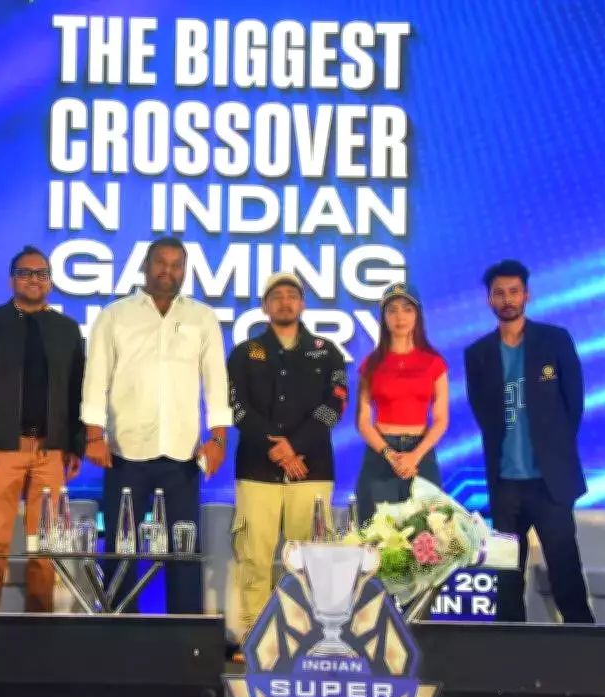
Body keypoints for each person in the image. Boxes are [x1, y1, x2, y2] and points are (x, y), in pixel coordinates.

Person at [81, 236, 230, 615]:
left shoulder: (202, 317)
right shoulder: (115, 316)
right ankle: (120, 629)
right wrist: (94, 434)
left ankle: (185, 633)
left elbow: (216, 381)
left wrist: (218, 438)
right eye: (161, 262)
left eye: (177, 265)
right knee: (121, 547)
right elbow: (96, 378)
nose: (168, 271)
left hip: (182, 454)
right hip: (125, 452)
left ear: (185, 271)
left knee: (184, 549)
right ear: (145, 267)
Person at [464, 259, 594, 623]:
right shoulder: (477, 354)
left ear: (527, 295)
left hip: (549, 483)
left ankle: (585, 649)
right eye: (499, 293)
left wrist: (554, 452)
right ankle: (509, 654)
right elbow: (483, 413)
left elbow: (573, 404)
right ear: (489, 300)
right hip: (505, 485)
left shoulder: (555, 340)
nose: (507, 299)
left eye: (514, 291)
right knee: (507, 581)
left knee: (567, 576)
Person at [0, 245, 85, 613]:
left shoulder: (66, 330)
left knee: (45, 547)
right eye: (26, 273)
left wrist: (75, 445)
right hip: (1, 450)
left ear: (51, 282)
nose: (34, 280)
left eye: (42, 274)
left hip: (51, 452)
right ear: (12, 279)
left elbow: (77, 391)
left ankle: (38, 630)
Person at [227, 272, 348, 648]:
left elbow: (335, 405)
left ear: (303, 304)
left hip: (311, 469)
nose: (284, 301)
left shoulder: (327, 351)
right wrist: (276, 447)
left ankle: (304, 642)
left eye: (292, 295)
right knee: (254, 560)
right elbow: (235, 406)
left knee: (309, 561)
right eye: (276, 296)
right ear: (264, 306)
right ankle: (254, 641)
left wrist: (294, 446)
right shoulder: (245, 352)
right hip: (256, 470)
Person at [354, 282, 449, 526]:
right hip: (381, 453)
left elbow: (441, 420)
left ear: (417, 315)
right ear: (384, 317)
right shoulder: (371, 364)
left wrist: (415, 456)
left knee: (427, 535)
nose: (400, 317)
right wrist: (390, 455)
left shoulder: (434, 363)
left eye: (407, 309)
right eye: (392, 310)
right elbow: (363, 421)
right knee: (378, 533)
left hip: (421, 454)